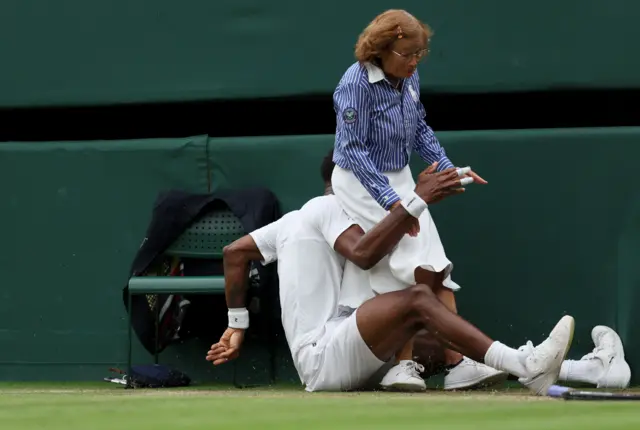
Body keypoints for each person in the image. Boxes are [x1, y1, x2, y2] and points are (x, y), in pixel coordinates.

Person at [206, 157, 575, 395]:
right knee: (418, 303)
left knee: (444, 342)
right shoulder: (329, 205)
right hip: (324, 356)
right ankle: (527, 368)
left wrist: (236, 324)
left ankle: (582, 368)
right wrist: (417, 200)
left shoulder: (291, 222)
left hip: (346, 350)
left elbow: (234, 253)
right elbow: (365, 255)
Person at [330, 9, 488, 389]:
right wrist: (394, 204)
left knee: (433, 265)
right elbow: (351, 150)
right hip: (360, 183)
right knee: (403, 265)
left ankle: (458, 363)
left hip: (400, 179)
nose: (415, 62)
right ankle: (402, 366)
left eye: (420, 54)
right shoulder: (354, 84)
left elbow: (419, 128)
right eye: (407, 54)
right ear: (381, 49)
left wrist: (449, 170)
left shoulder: (410, 76)